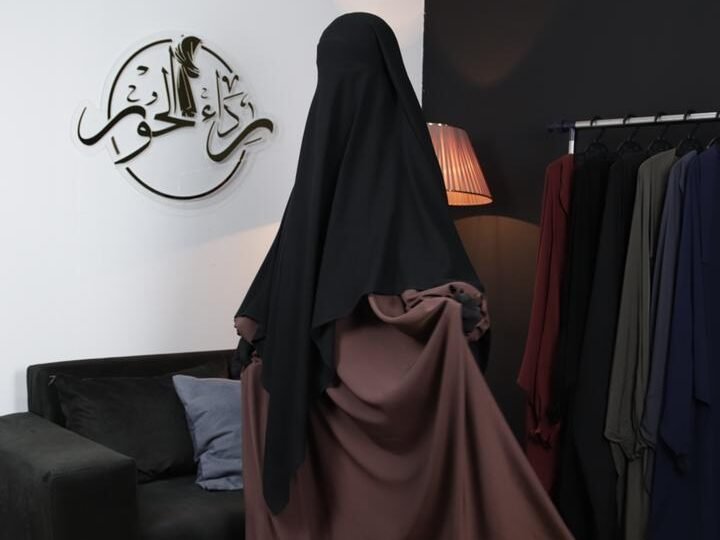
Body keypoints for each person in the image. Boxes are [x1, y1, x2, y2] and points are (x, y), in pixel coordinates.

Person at [233, 12, 572, 539]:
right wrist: (439, 312)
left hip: (319, 392)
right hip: (358, 398)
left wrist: (269, 339)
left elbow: (285, 286)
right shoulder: (403, 163)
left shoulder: (323, 169)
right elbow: (424, 265)